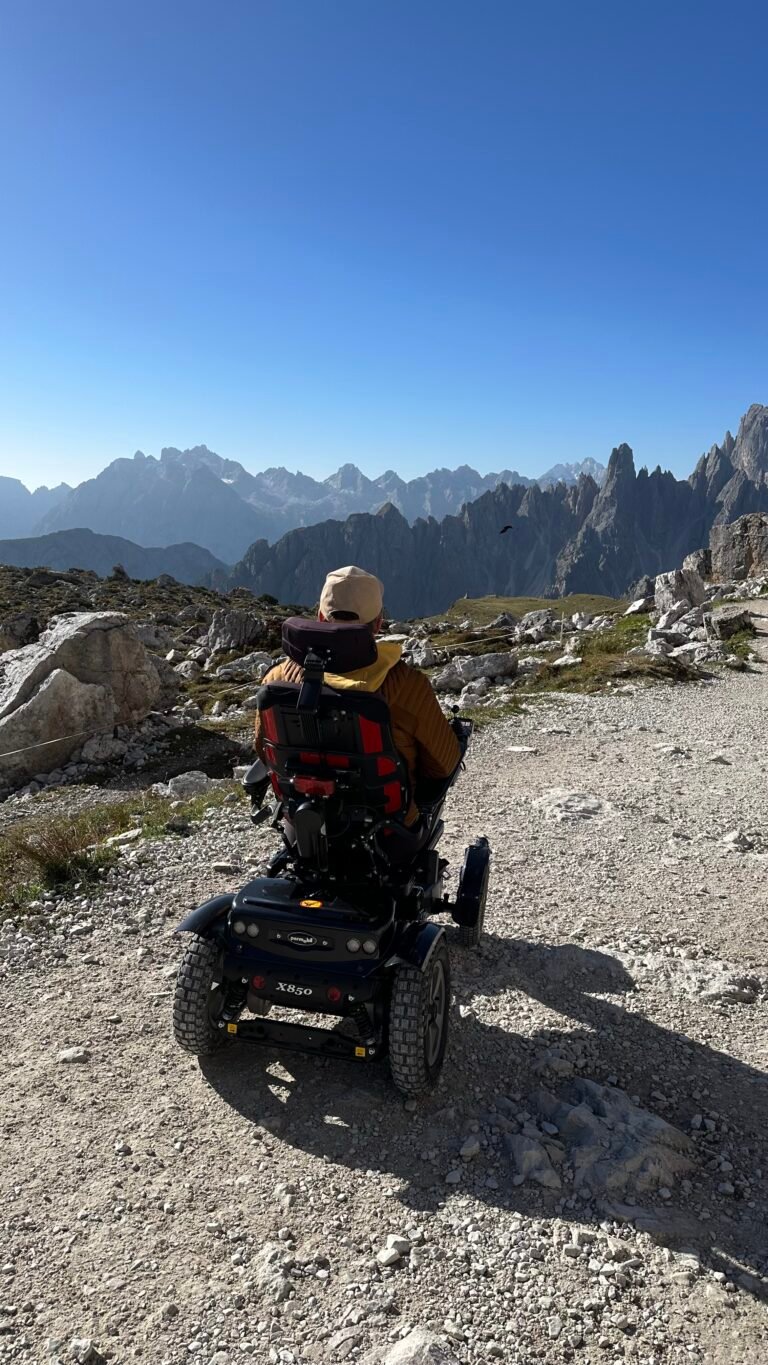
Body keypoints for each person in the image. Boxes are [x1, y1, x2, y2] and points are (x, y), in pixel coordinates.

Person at [253, 565, 461, 833]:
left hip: (306, 829)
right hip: (389, 832)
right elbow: (443, 763)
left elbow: (263, 750)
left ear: (320, 616)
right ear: (378, 624)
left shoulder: (277, 680)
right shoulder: (407, 686)